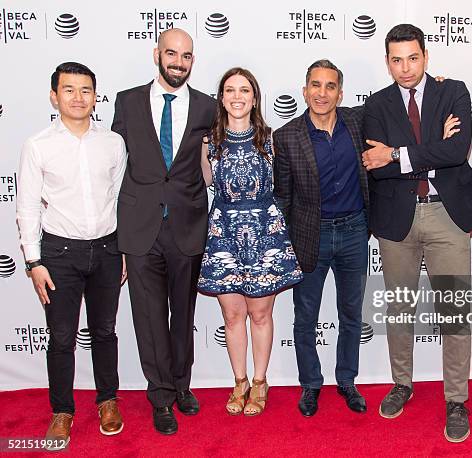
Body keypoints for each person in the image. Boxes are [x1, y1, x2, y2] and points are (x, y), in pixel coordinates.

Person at [361, 24, 472, 442]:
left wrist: (399, 154)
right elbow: (374, 165)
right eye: (396, 60)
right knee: (400, 308)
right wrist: (429, 152)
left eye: (413, 58)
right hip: (396, 219)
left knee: (454, 312)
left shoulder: (452, 91)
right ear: (387, 61)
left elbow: (457, 152)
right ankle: (402, 383)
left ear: (426, 56)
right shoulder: (377, 105)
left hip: (447, 217)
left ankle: (456, 399)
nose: (405, 68)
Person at [16, 62, 127, 450]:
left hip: (108, 248)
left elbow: (118, 199)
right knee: (62, 336)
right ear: (54, 96)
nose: (78, 98)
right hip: (58, 253)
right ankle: (62, 410)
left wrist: (123, 248)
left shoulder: (112, 142)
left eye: (85, 90)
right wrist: (33, 261)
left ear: (96, 96)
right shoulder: (38, 145)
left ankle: (107, 401)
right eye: (69, 90)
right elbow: (28, 206)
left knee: (104, 331)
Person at [111, 28, 216, 435]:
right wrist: (113, 236)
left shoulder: (208, 107)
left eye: (186, 56)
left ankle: (182, 385)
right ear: (157, 54)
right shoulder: (127, 102)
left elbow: (215, 160)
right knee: (149, 318)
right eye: (171, 53)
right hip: (139, 230)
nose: (178, 62)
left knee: (182, 315)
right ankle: (160, 395)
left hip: (187, 227)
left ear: (193, 60)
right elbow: (114, 168)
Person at [198, 67, 303, 416]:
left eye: (245, 90)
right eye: (230, 90)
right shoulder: (209, 143)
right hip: (224, 235)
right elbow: (207, 185)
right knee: (232, 314)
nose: (238, 96)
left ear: (255, 98)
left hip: (265, 235)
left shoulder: (271, 140)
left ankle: (260, 381)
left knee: (260, 313)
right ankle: (239, 381)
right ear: (222, 97)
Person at [273, 59, 370, 417]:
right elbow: (282, 196)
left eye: (330, 86)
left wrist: (435, 85)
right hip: (309, 236)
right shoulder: (286, 137)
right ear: (304, 90)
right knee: (306, 316)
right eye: (316, 85)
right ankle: (311, 384)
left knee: (351, 313)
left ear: (340, 93)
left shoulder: (358, 122)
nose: (322, 93)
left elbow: (398, 102)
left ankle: (347, 380)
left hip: (355, 231)